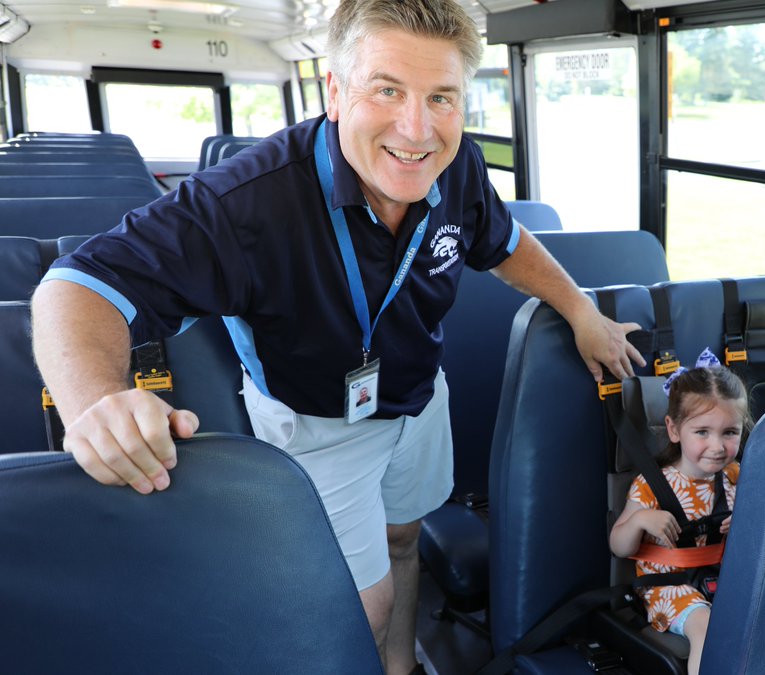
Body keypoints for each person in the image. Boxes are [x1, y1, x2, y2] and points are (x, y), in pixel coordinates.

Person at [29, 1, 644, 673]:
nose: (416, 129)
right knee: (359, 608)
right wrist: (95, 399)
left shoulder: (456, 161)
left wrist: (580, 309)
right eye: (387, 89)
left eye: (441, 97)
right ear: (334, 90)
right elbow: (79, 282)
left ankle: (402, 664)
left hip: (418, 395)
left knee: (405, 538)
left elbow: (502, 241)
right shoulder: (248, 202)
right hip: (316, 418)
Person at [608, 362, 751, 675]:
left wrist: (744, 523)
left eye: (729, 432)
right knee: (707, 627)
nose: (717, 446)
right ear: (674, 429)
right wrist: (640, 520)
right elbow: (618, 546)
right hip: (667, 586)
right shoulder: (653, 485)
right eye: (702, 432)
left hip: (720, 577)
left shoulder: (736, 476)